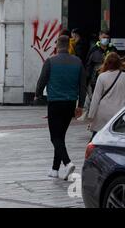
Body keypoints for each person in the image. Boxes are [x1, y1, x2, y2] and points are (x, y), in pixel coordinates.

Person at [35, 36, 86, 180]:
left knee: (54, 137)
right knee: (60, 136)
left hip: (55, 103)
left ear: (57, 46)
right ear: (69, 46)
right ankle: (54, 169)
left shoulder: (50, 61)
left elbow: (42, 80)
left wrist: (37, 95)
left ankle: (67, 162)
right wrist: (80, 105)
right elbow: (82, 86)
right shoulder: (78, 62)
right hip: (70, 103)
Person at [88, 52, 125, 140]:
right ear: (119, 63)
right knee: (117, 137)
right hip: (119, 112)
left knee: (98, 137)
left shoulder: (102, 77)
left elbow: (96, 97)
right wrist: (124, 101)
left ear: (106, 63)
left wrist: (91, 115)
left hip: (103, 113)